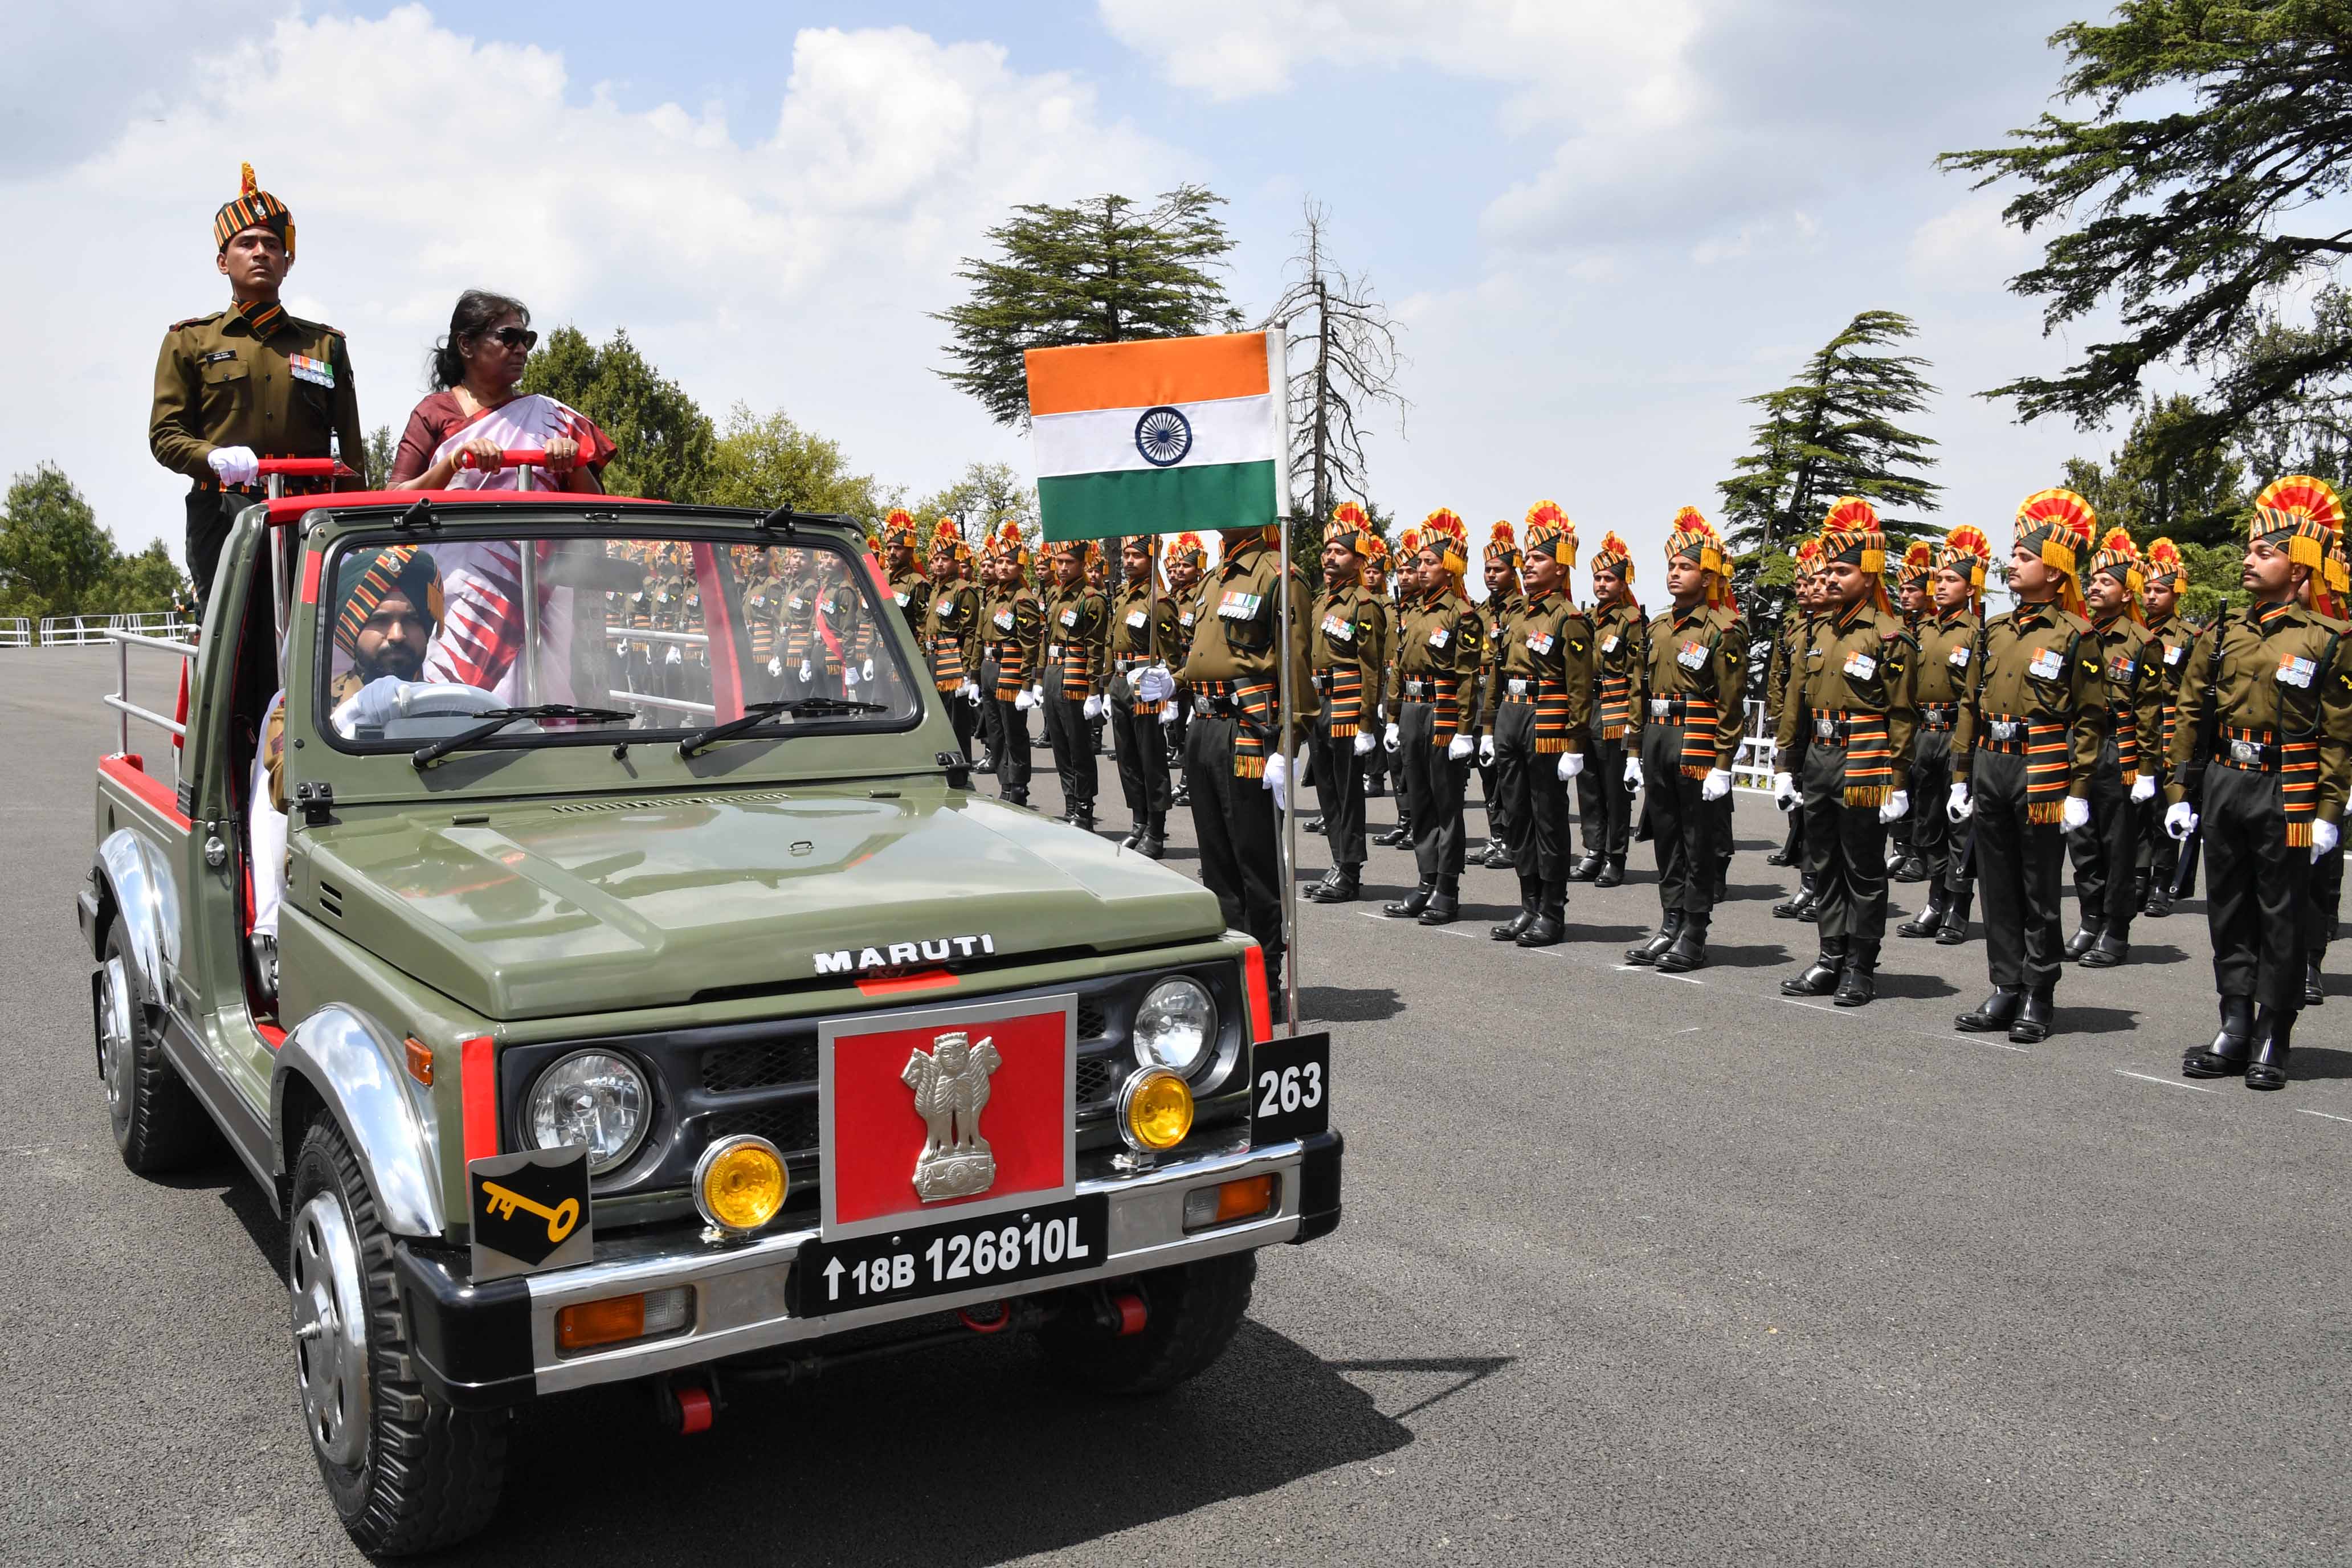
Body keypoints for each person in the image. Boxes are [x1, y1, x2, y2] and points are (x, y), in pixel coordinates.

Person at [2172, 477, 2352, 1087]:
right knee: (2228, 908)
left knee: (2283, 913)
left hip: (2287, 787)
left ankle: (2275, 1031)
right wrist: (2180, 793)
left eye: (2264, 552)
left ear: (2298, 570)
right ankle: (2234, 1023)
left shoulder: (2328, 639)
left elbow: (2339, 734)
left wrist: (2329, 810)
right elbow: (2190, 713)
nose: (2248, 560)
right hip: (2227, 779)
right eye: (2248, 551)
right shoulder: (2222, 633)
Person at [152, 163, 365, 610]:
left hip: (310, 518)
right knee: (232, 638)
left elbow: (351, 456)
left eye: (272, 245)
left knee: (311, 636)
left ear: (288, 262)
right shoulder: (190, 341)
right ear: (222, 261)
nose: (261, 253)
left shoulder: (325, 345)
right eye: (246, 243)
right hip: (224, 512)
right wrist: (211, 457)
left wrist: (357, 530)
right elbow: (166, 436)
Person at [1951, 489, 2101, 1044]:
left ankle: (2039, 991)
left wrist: (2079, 789)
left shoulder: (2076, 635)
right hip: (1992, 766)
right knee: (1997, 886)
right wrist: (1961, 776)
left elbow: (2090, 718)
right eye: (2012, 555)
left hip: (2042, 769)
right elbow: (1970, 704)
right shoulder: (1994, 630)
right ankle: (2005, 984)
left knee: (2038, 887)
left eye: (2023, 557)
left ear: (2055, 573)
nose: (2010, 564)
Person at [254, 546, 444, 983]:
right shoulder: (302, 708)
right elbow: (285, 789)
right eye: (380, 620)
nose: (397, 634)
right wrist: (351, 717)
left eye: (412, 620)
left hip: (439, 874)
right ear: (353, 626)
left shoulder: (455, 704)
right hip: (344, 881)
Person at [1773, 500, 1918, 1006]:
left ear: (1869, 574)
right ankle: (1829, 957)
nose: (1831, 579)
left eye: (1842, 571)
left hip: (1865, 759)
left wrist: (1898, 782)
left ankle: (1861, 965)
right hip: (1820, 758)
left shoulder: (1889, 636)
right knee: (1823, 862)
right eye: (1829, 570)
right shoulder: (1816, 631)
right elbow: (1797, 703)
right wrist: (1786, 766)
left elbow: (1902, 714)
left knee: (1863, 867)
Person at [1165, 523, 1310, 1012]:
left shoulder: (1278, 575)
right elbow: (1207, 655)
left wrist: (1287, 746)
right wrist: (1174, 681)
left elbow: (1295, 665)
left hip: (1248, 732)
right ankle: (1231, 970)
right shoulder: (1213, 578)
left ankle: (1265, 978)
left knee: (1256, 865)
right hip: (1204, 727)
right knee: (1218, 864)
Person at [1624, 508, 1747, 973]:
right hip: (1658, 739)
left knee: (1697, 841)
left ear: (1708, 576)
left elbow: (1731, 702)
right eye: (1672, 566)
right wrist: (1634, 751)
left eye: (1686, 567)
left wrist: (1723, 763)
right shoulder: (1657, 627)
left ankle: (1694, 931)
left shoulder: (1723, 628)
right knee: (1667, 838)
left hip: (1696, 740)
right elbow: (1639, 691)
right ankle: (1670, 922)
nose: (1675, 573)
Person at [1483, 501, 1594, 946]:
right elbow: (1498, 671)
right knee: (1516, 816)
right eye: (1526, 559)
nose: (1527, 565)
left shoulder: (1569, 619)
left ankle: (1552, 910)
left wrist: (1575, 743)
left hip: (1546, 719)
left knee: (1548, 817)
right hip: (1512, 716)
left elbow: (1580, 687)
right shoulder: (1516, 615)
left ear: (1560, 568)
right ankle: (1528, 904)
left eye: (1538, 559)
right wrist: (1490, 726)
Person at [387, 291, 612, 493]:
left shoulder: (552, 418)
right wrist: (454, 461)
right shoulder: (433, 413)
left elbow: (597, 508)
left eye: (526, 340)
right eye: (509, 338)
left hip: (537, 529)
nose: (522, 350)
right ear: (466, 345)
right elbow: (395, 498)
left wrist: (574, 464)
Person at [2065, 530, 2165, 967]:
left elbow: (2148, 712)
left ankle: (2116, 928)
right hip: (2081, 746)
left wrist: (2147, 768)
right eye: (2092, 580)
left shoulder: (2143, 643)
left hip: (2118, 749)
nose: (2095, 587)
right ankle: (2091, 919)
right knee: (2083, 841)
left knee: (2119, 845)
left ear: (2127, 594)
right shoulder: (2077, 635)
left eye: (2106, 582)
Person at [1383, 512, 1485, 925]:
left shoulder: (1462, 614)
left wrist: (1464, 729)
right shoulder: (1412, 612)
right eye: (1419, 562)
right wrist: (1393, 717)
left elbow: (1467, 676)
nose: (1421, 569)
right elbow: (1398, 668)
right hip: (1411, 710)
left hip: (1442, 712)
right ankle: (1426, 881)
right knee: (1420, 801)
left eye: (1430, 562)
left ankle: (1447, 888)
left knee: (1446, 804)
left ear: (1451, 567)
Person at [1897, 525, 1992, 944]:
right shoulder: (1922, 630)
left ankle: (1957, 906)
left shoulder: (1977, 632)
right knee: (1928, 821)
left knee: (1959, 826)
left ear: (1970, 588)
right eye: (1938, 579)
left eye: (1951, 580)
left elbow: (1974, 696)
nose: (1939, 586)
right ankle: (1935, 901)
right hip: (1924, 733)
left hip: (1958, 732)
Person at [1305, 505, 1390, 904]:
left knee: (1347, 791)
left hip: (1346, 704)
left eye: (1339, 552)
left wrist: (1367, 723)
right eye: (1327, 551)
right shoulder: (1320, 602)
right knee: (1326, 789)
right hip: (1318, 703)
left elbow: (1371, 667)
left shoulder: (1364, 603)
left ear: (1358, 561)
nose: (1329, 557)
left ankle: (1350, 869)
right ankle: (1338, 861)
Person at [1573, 530, 1646, 887]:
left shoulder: (1631, 621)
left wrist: (1635, 723)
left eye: (1609, 579)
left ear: (1623, 582)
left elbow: (1637, 677)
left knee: (1615, 791)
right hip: (1586, 710)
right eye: (1598, 578)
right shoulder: (1586, 618)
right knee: (1588, 786)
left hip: (1616, 712)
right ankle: (1593, 850)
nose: (1602, 584)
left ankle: (1615, 856)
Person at [1108, 536, 1182, 856]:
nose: (1128, 561)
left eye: (1135, 556)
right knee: (1127, 758)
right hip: (1120, 681)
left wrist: (1171, 698)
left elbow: (1173, 654)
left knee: (1151, 759)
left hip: (1146, 685)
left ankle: (1156, 830)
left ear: (1151, 560)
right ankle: (1138, 821)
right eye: (1125, 555)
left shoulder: (1158, 601)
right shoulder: (1123, 596)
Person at [2137, 539, 2197, 917]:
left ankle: (2162, 883)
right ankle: (2137, 878)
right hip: (2135, 728)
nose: (2151, 596)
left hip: (2171, 727)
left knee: (2166, 806)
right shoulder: (2132, 631)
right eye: (2147, 589)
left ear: (2176, 593)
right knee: (2136, 810)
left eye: (2160, 590)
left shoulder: (2189, 636)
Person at [1765, 541, 1824, 910]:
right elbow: (1778, 678)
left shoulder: (1827, 629)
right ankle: (1807, 879)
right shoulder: (1791, 627)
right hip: (1793, 724)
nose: (1804, 589)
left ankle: (1820, 884)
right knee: (1796, 803)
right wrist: (1777, 723)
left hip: (1821, 726)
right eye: (1799, 583)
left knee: (1819, 811)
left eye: (1811, 582)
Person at [1037, 539, 1110, 831]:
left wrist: (1094, 691)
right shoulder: (1056, 595)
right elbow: (1045, 638)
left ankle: (1084, 808)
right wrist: (1038, 679)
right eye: (1060, 562)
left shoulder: (1091, 598)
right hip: (1054, 673)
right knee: (1059, 745)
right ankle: (1070, 804)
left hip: (1076, 676)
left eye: (1070, 562)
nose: (1063, 567)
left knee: (1078, 745)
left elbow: (1096, 649)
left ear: (1082, 564)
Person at [980, 524, 1044, 806]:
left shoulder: (1023, 599)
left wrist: (1027, 685)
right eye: (999, 562)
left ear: (1021, 567)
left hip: (1010, 668)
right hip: (989, 667)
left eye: (1010, 562)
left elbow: (1030, 644)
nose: (1003, 567)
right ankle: (1004, 783)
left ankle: (1018, 787)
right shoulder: (992, 595)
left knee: (1013, 732)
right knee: (995, 732)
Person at [1474, 524, 1525, 870]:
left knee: (1508, 776)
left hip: (1507, 699)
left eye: (1499, 569)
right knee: (1487, 773)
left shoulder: (1518, 609)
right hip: (1481, 701)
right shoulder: (1480, 611)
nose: (1492, 575)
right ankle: (1496, 835)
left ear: (1513, 573)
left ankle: (1511, 838)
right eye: (1488, 569)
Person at [1889, 540, 1938, 883]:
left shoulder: (1934, 627)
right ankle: (1901, 847)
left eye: (1912, 590)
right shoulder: (1897, 626)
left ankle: (1921, 855)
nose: (1905, 596)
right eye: (1902, 590)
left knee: (1924, 791)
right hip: (1901, 717)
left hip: (1927, 721)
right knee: (1899, 782)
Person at [1375, 527, 1424, 850]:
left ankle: (1418, 822)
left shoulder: (1423, 610)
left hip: (1417, 691)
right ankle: (1404, 819)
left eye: (1410, 571)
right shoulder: (1390, 609)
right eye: (1400, 571)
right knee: (1395, 759)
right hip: (1391, 687)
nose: (1405, 577)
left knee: (1414, 763)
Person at [922, 519, 983, 761]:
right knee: (938, 716)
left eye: (945, 559)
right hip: (932, 658)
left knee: (956, 719)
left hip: (952, 661)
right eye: (936, 559)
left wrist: (967, 672)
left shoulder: (963, 590)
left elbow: (971, 633)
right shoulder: (935, 589)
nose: (939, 563)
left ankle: (961, 764)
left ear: (956, 562)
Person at [1163, 533, 1209, 807]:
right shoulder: (1175, 597)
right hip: (1176, 664)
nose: (1179, 570)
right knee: (1178, 727)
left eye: (1186, 566)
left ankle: (1192, 782)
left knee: (1193, 729)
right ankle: (1186, 779)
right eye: (1177, 565)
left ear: (1198, 568)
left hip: (1193, 663)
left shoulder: (1200, 595)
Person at [880, 511, 932, 635]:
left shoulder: (918, 583)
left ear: (910, 552)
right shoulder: (879, 577)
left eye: (898, 548)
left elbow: (923, 625)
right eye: (889, 548)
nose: (892, 552)